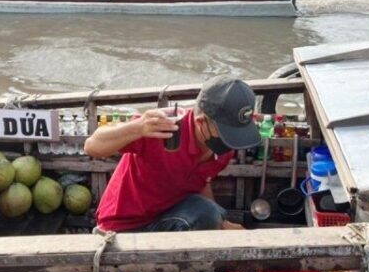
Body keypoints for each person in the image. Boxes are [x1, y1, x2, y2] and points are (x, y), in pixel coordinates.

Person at [85, 75, 261, 233]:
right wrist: (138, 127)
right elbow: (92, 146)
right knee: (208, 214)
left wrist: (222, 224)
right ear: (201, 122)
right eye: (227, 133)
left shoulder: (223, 150)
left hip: (171, 216)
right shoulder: (163, 129)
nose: (231, 143)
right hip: (121, 225)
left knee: (213, 214)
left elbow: (201, 183)